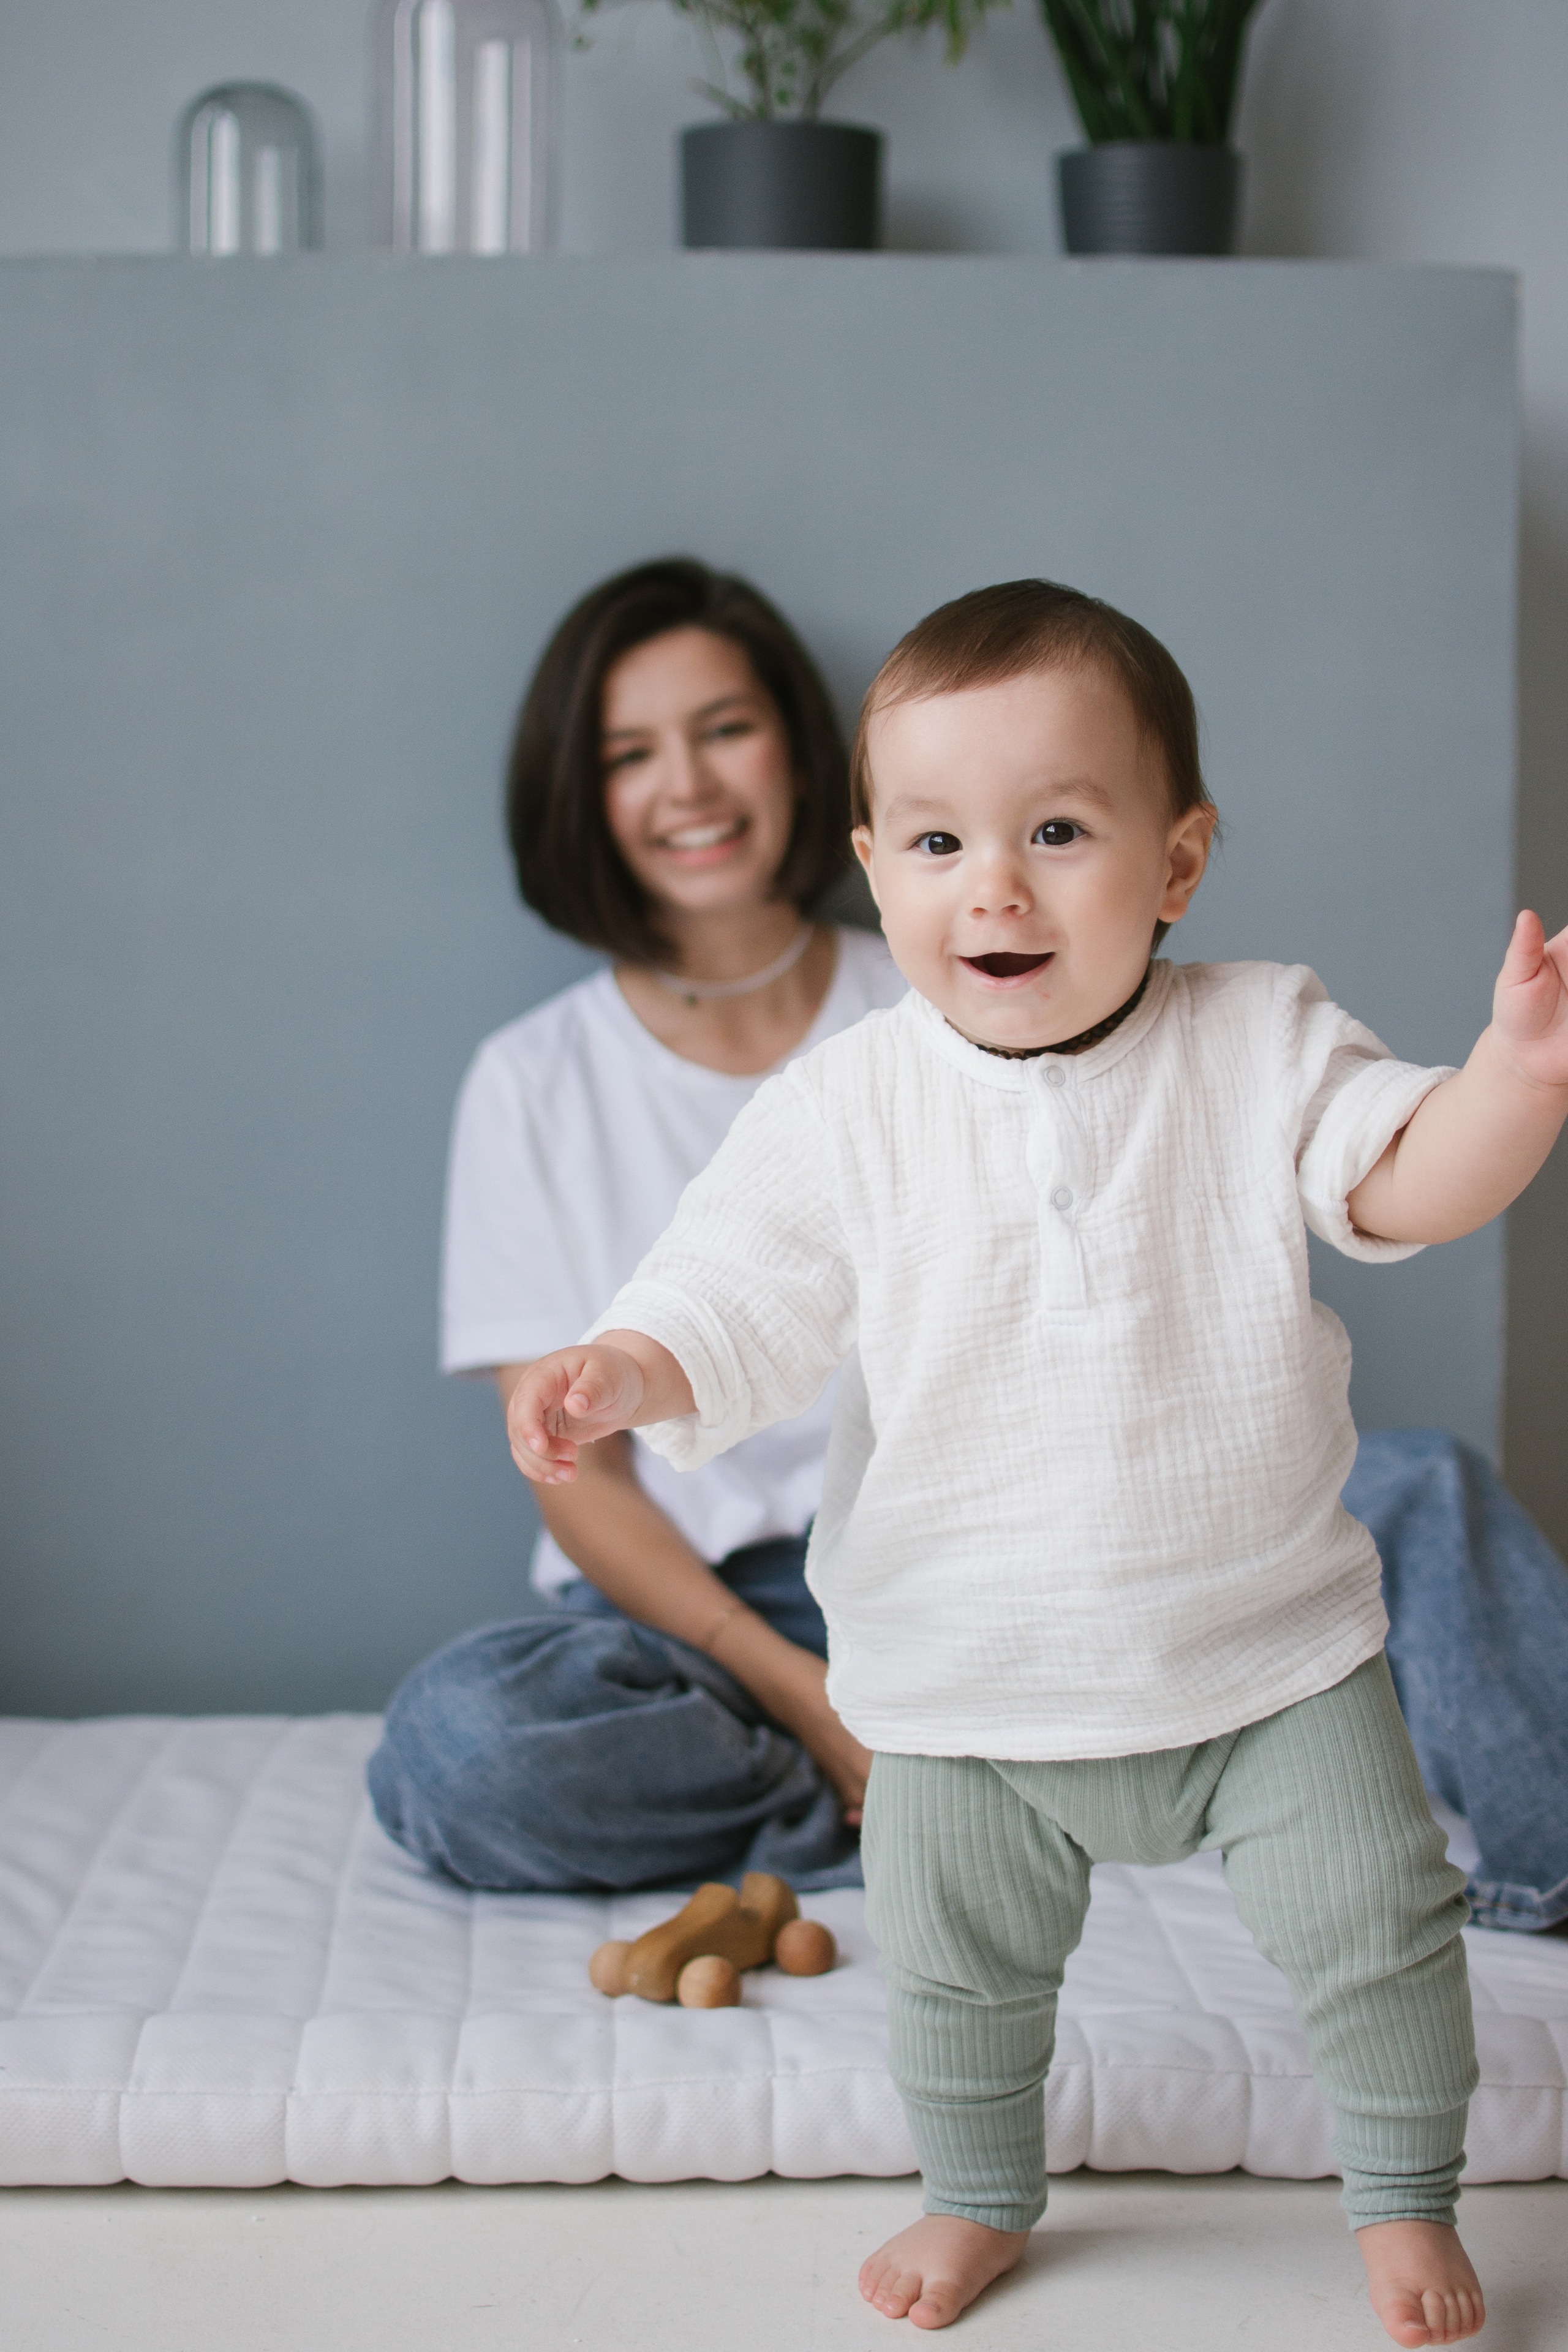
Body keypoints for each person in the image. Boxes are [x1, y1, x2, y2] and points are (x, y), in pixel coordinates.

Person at [505, 580, 1568, 2347]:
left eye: (1058, 831)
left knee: (1379, 1930)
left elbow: (1398, 1177)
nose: (991, 883)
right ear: (876, 864)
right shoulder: (857, 1104)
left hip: (1261, 1659)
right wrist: (630, 1363)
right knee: (958, 1975)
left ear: (1178, 860)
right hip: (963, 1686)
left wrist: (1517, 1090)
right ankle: (976, 2192)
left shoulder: (1258, 1038)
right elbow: (737, 1284)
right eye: (935, 842)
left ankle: (1401, 2196)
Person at [368, 557, 905, 1895]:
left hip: (940, 1575)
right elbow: (581, 1481)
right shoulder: (531, 1082)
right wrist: (794, 1690)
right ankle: (907, 1787)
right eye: (629, 753)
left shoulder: (938, 1003)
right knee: (460, 1743)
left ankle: (938, 1773)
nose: (689, 787)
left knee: (1400, 1491)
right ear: (582, 798)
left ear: (793, 745)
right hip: (691, 1624)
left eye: (724, 728)